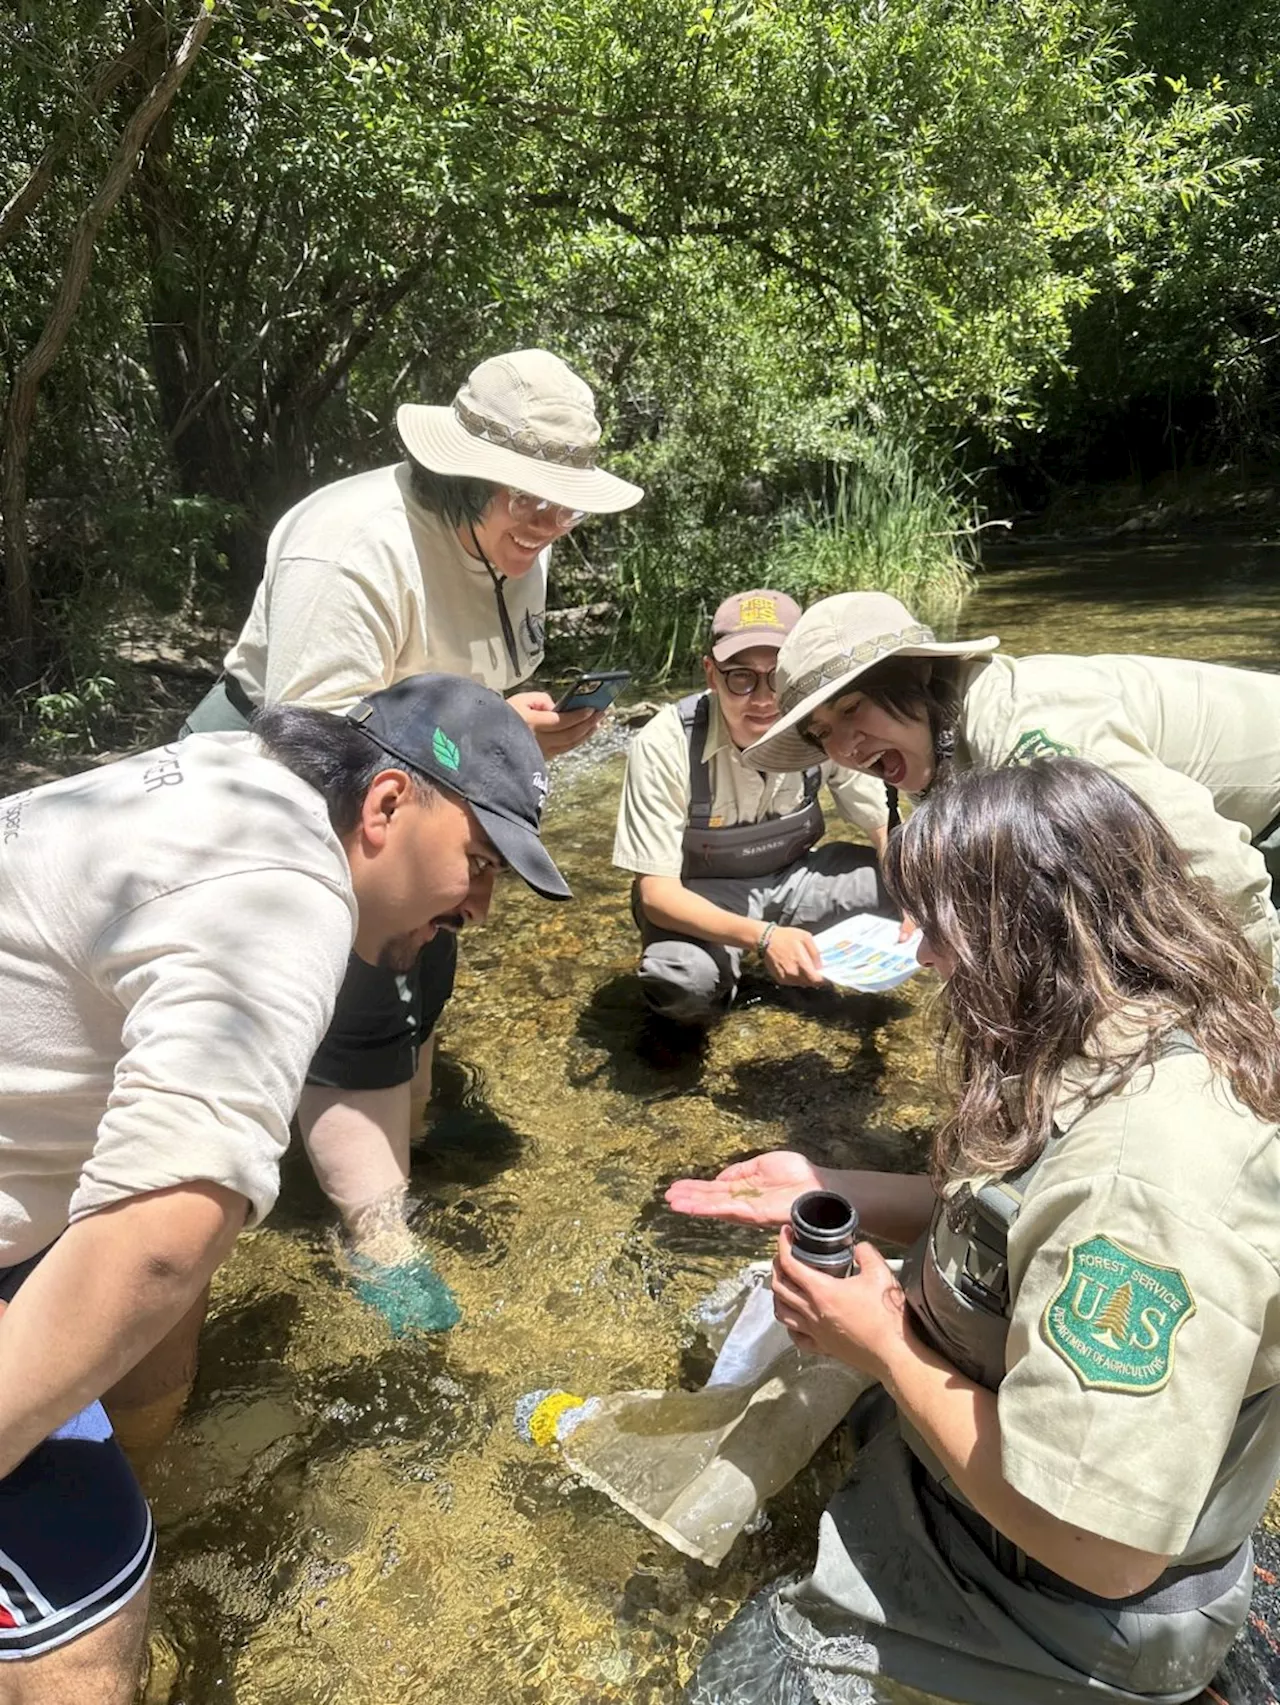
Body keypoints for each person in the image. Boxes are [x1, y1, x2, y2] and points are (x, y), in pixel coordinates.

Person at [0, 673, 567, 1703]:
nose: (480, 909)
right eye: (478, 864)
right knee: (88, 1623)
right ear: (388, 804)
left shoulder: (241, 775)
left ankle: (148, 1470)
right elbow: (165, 1232)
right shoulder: (290, 893)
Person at [667, 758, 1280, 1704]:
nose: (919, 959)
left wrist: (881, 1345)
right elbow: (1013, 1215)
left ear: (1026, 930)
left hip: (1071, 1594)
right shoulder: (1116, 1025)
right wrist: (828, 1184)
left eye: (939, 926)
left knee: (746, 1680)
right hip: (1016, 1491)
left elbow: (1101, 1543)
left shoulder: (1146, 1183)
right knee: (733, 1326)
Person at [182, 349, 642, 1285]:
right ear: (465, 474)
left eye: (568, 506)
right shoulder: (354, 540)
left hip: (428, 782)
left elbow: (472, 689)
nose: (553, 528)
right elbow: (311, 738)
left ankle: (405, 1145)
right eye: (532, 502)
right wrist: (489, 732)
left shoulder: (521, 548)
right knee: (357, 1011)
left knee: (427, 965)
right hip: (297, 783)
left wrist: (518, 734)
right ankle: (377, 1247)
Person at [743, 589, 1280, 983]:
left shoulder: (1028, 729)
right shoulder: (931, 741)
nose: (845, 749)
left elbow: (1215, 865)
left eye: (852, 708)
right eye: (822, 734)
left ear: (918, 676)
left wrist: (1256, 1016)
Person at [612, 590, 895, 1025]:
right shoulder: (664, 743)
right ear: (711, 673)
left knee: (912, 887)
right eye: (741, 678)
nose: (763, 699)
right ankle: (735, 975)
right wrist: (765, 938)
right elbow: (656, 895)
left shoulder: (823, 725)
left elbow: (884, 828)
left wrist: (919, 899)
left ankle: (792, 964)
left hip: (797, 882)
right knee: (681, 983)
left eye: (778, 676)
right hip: (701, 894)